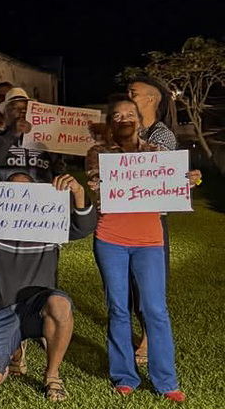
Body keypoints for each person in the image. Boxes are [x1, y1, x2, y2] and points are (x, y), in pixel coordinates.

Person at [85, 97, 198, 402]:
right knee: (118, 308)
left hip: (149, 241)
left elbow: (171, 187)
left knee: (155, 309)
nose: (123, 118)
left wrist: (186, 182)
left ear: (138, 120)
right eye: (117, 115)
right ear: (110, 122)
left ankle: (166, 380)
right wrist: (97, 184)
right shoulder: (98, 153)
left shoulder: (157, 153)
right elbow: (97, 183)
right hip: (110, 240)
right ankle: (124, 375)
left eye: (129, 114)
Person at [0, 171, 96, 401]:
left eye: (26, 191)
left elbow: (85, 227)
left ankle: (52, 375)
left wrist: (79, 192)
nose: (20, 196)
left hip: (37, 309)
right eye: (12, 190)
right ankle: (14, 348)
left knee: (60, 304)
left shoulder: (51, 222)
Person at [126, 76, 178, 364]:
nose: (128, 96)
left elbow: (150, 169)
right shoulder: (129, 129)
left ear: (152, 99)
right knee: (130, 283)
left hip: (150, 222)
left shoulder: (162, 135)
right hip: (124, 220)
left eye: (134, 93)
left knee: (149, 283)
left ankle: (149, 339)